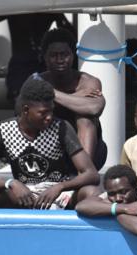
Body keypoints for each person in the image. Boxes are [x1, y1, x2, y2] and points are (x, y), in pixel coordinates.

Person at [0, 76, 99, 209]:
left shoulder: (62, 127)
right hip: (24, 195)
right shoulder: (2, 130)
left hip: (59, 194)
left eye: (51, 110)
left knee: (92, 192)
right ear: (26, 110)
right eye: (43, 113)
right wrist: (11, 183)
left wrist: (60, 187)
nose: (49, 117)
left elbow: (91, 174)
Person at [39, 28, 107, 170]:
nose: (59, 60)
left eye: (64, 54)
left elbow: (94, 108)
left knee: (85, 117)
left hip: (89, 153)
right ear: (45, 57)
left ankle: (84, 173)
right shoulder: (38, 80)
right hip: (48, 149)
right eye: (53, 55)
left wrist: (50, 95)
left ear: (73, 55)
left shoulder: (88, 81)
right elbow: (24, 110)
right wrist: (75, 98)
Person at [76, 165, 137, 237]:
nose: (117, 198)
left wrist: (110, 210)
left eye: (123, 192)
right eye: (112, 194)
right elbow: (81, 206)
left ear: (136, 188)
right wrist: (122, 208)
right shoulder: (111, 196)